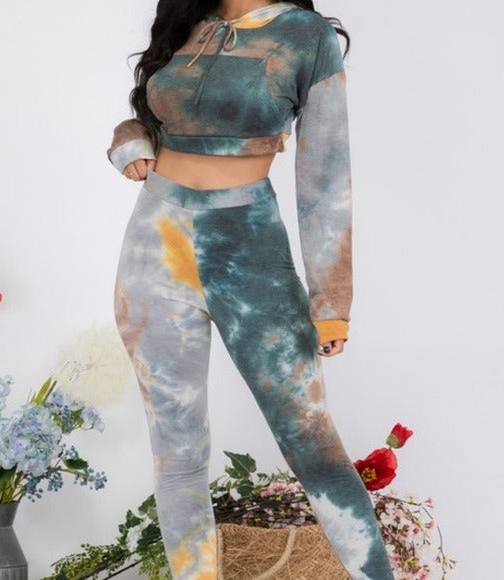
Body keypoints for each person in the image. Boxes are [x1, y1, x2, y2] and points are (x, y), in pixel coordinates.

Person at [108, 1, 395, 578]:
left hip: (248, 248)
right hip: (154, 246)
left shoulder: (306, 37)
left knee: (312, 445)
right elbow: (148, 118)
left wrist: (331, 303)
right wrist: (128, 141)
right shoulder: (188, 19)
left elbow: (326, 177)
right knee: (177, 453)